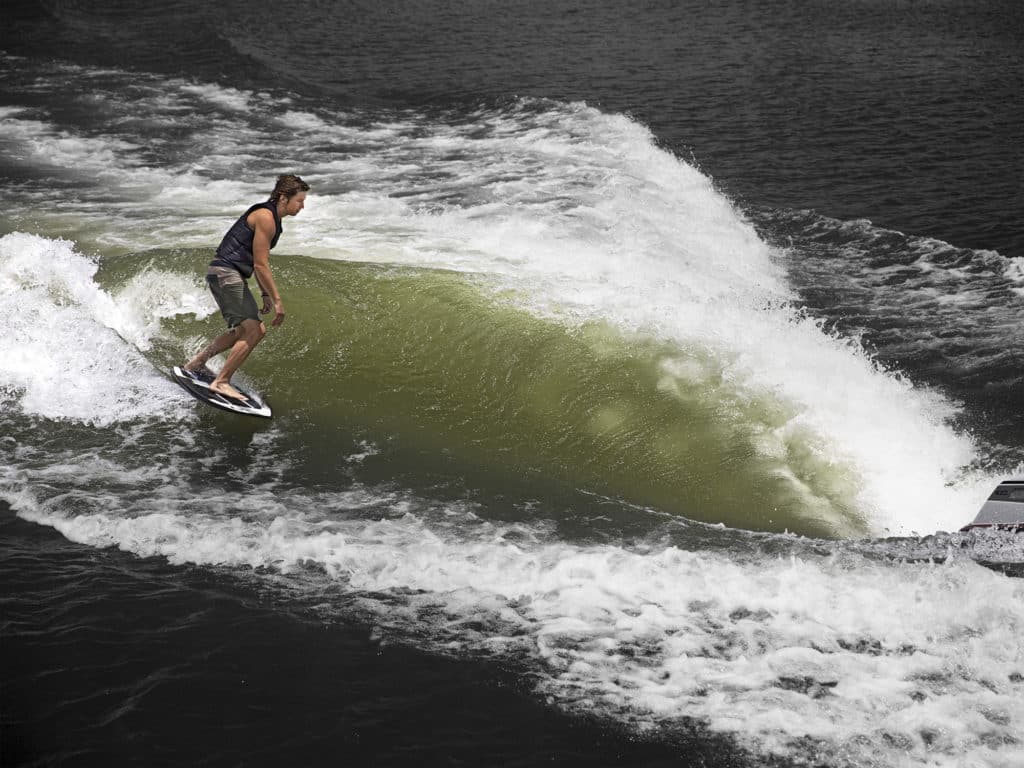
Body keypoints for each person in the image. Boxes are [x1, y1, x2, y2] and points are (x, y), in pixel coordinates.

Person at [183, 174, 310, 402]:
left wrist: (263, 293)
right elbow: (261, 265)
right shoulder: (266, 217)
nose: (302, 206)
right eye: (299, 201)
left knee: (242, 331)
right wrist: (277, 300)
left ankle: (197, 363)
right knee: (256, 330)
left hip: (223, 273)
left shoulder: (273, 219)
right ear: (283, 198)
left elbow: (257, 261)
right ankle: (221, 382)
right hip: (225, 273)